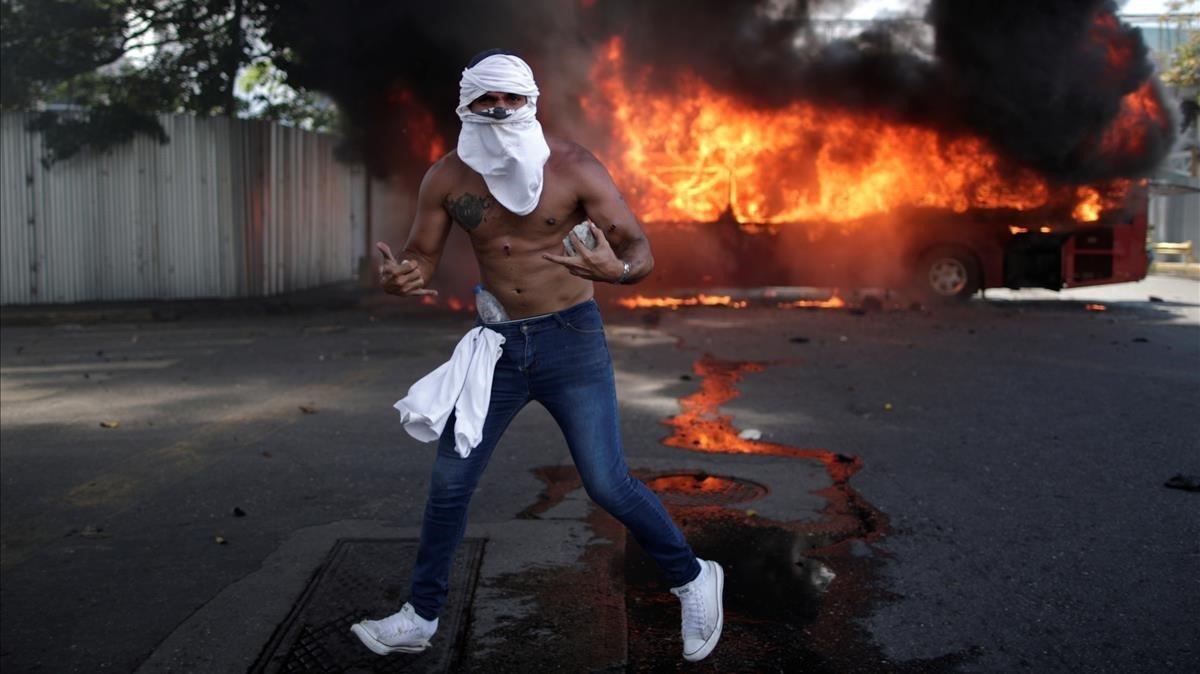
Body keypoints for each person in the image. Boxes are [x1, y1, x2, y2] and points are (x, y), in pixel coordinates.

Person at [350, 50, 724, 663]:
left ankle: (693, 578)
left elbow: (638, 246)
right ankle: (419, 616)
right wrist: (403, 278)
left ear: (530, 104)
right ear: (465, 106)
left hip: (570, 340)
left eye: (510, 99)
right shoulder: (446, 178)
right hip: (495, 348)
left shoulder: (573, 167)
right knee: (449, 486)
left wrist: (619, 270)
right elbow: (419, 254)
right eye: (484, 100)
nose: (496, 109)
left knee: (607, 482)